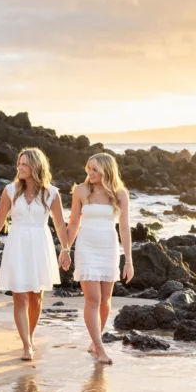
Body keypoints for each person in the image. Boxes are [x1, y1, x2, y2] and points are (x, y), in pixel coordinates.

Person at [0, 148, 71, 361]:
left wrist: (65, 249)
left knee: (36, 297)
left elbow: (60, 224)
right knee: (20, 297)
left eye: (24, 164)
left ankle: (30, 336)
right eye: (19, 163)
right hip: (17, 244)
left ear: (36, 166)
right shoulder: (10, 190)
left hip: (40, 245)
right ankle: (26, 345)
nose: (19, 167)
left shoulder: (51, 193)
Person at [66, 153, 133, 364]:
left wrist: (128, 260)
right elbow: (73, 223)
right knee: (93, 299)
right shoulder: (81, 190)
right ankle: (99, 347)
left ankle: (95, 340)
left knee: (105, 301)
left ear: (106, 170)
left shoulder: (120, 193)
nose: (91, 173)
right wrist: (65, 248)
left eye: (95, 169)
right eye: (89, 168)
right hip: (86, 247)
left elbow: (124, 227)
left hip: (108, 247)